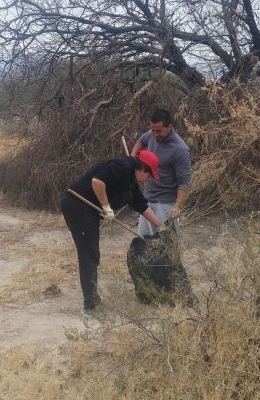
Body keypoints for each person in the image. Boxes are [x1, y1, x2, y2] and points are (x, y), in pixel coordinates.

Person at [60, 151, 165, 318]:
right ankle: (90, 306)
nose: (149, 179)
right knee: (89, 255)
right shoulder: (122, 166)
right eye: (150, 175)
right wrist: (106, 206)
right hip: (77, 204)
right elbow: (97, 182)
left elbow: (143, 207)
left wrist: (161, 226)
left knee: (92, 254)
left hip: (88, 211)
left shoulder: (131, 184)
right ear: (143, 169)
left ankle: (93, 300)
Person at [130, 109, 192, 235]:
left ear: (169, 127)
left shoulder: (180, 150)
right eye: (153, 130)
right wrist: (131, 158)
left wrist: (177, 206)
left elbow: (184, 182)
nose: (155, 134)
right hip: (148, 199)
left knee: (165, 244)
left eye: (159, 131)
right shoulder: (152, 134)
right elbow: (141, 141)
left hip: (167, 203)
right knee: (143, 241)